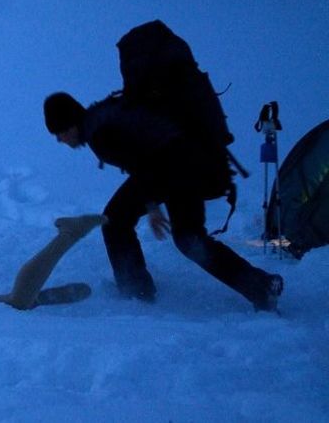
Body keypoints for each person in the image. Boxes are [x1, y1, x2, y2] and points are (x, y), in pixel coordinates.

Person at [43, 92, 283, 311]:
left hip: (178, 168)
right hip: (180, 165)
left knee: (116, 221)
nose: (61, 140)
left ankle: (136, 292)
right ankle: (261, 286)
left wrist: (152, 206)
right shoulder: (101, 118)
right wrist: (152, 201)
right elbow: (144, 159)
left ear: (71, 123)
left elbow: (145, 162)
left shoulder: (100, 132)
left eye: (60, 132)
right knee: (188, 238)